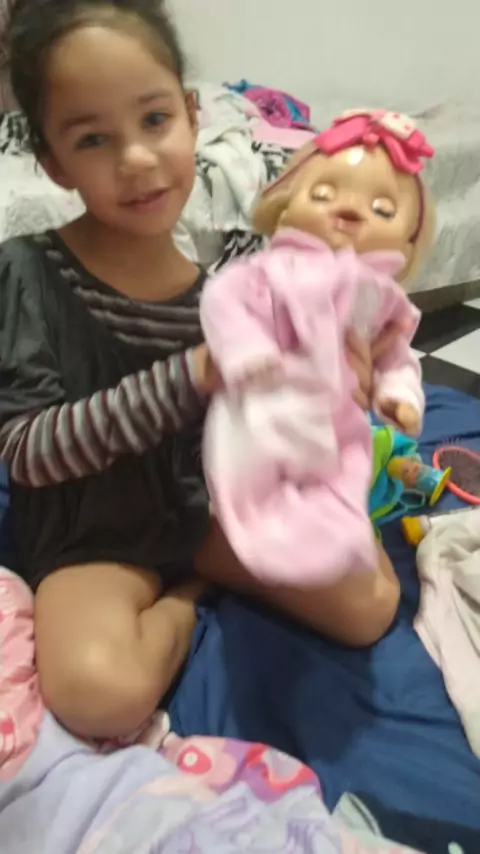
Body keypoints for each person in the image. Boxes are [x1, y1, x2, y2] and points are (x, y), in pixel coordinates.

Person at [0, 0, 400, 740]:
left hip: (207, 509)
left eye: (155, 120)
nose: (137, 159)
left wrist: (340, 384)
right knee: (96, 693)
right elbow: (27, 452)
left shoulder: (235, 280)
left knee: (371, 605)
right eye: (93, 139)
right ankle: (188, 597)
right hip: (95, 532)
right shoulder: (27, 271)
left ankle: (215, 561)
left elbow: (281, 414)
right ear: (53, 161)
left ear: (190, 116)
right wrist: (195, 373)